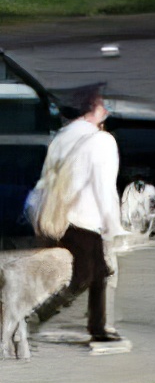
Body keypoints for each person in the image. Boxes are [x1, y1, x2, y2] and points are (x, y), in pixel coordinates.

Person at [29, 87, 131, 350]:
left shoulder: (61, 137)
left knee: (98, 272)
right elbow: (104, 187)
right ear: (90, 109)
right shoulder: (101, 140)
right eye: (101, 106)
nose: (106, 110)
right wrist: (113, 225)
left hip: (53, 216)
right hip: (83, 219)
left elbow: (45, 179)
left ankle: (98, 327)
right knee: (81, 277)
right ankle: (31, 316)